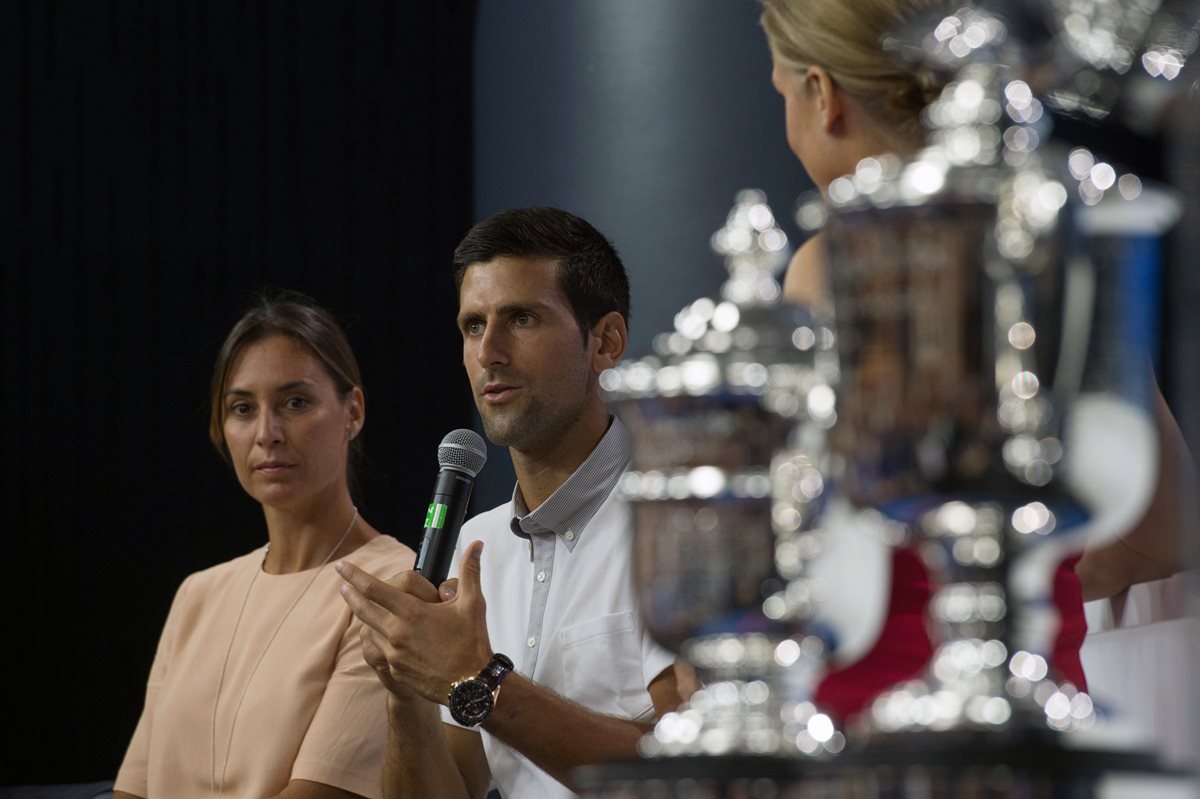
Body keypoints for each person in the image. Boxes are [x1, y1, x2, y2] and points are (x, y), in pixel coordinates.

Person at [760, 0, 1197, 720]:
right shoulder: (1059, 251)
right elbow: (1162, 532)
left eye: (783, 96)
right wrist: (1022, 573)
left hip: (875, 718)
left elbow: (805, 557)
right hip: (1038, 711)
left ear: (822, 94)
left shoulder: (834, 262)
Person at [336, 207, 681, 799]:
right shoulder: (476, 547)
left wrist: (480, 683)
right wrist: (407, 692)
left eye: (521, 318)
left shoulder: (678, 520)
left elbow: (701, 780)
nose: (489, 351)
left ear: (607, 342)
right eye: (472, 326)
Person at [114, 293, 414, 799]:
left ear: (353, 412)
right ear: (220, 427)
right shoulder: (198, 595)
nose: (266, 434)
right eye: (242, 408)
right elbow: (134, 790)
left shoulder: (391, 586)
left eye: (295, 403)